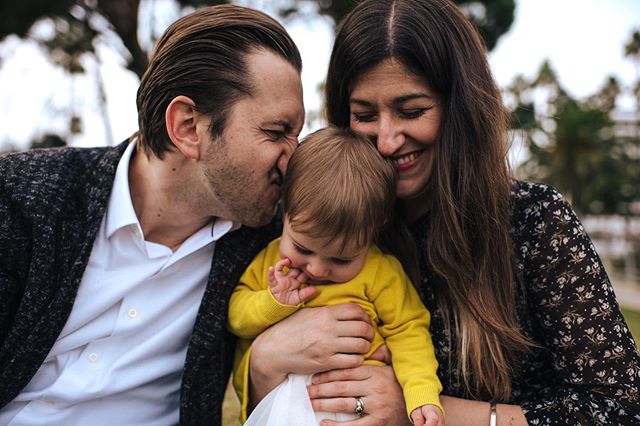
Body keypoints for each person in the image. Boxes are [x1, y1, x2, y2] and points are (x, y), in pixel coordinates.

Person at [238, 0, 640, 425]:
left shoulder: (534, 223)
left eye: (412, 111)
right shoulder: (309, 221)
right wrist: (264, 362)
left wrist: (422, 411)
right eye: (364, 115)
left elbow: (620, 409)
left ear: (459, 108)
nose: (388, 140)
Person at [0, 5, 309, 425]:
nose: (293, 159)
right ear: (187, 126)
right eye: (276, 133)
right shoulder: (23, 198)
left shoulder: (282, 244)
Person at [228, 127, 444, 426]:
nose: (316, 269)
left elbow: (409, 332)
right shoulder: (272, 260)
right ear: (286, 214)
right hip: (284, 407)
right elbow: (236, 317)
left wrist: (420, 392)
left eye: (341, 259)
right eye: (303, 248)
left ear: (372, 235)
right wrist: (273, 302)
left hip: (361, 408)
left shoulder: (381, 272)